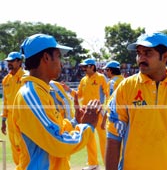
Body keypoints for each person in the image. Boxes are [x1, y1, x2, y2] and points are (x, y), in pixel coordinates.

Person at [105, 32, 167, 170]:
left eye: (147, 53)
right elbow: (114, 136)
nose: (141, 58)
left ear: (164, 56)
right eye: (139, 53)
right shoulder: (125, 87)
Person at [12, 33, 101, 170]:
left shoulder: (41, 91)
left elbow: (54, 129)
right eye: (59, 56)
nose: (62, 63)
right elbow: (58, 143)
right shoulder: (31, 94)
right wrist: (87, 126)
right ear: (46, 58)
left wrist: (75, 122)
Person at [62, 58, 108, 170]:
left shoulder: (101, 78)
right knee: (89, 139)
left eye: (85, 67)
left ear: (92, 67)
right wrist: (68, 90)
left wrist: (105, 110)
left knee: (104, 139)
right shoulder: (83, 80)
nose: (83, 69)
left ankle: (109, 164)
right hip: (87, 113)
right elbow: (79, 95)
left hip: (99, 112)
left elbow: (108, 94)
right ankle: (93, 164)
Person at [1, 51, 26, 166]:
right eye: (8, 61)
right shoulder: (6, 79)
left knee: (24, 145)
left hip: (23, 116)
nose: (9, 63)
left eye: (12, 61)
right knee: (14, 146)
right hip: (10, 118)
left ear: (19, 62)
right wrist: (3, 119)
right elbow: (6, 101)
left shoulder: (26, 77)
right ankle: (19, 167)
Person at [101, 60, 125, 129]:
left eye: (106, 70)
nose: (105, 72)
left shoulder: (112, 82)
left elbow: (110, 103)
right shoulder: (124, 80)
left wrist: (104, 120)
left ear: (110, 70)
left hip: (115, 118)